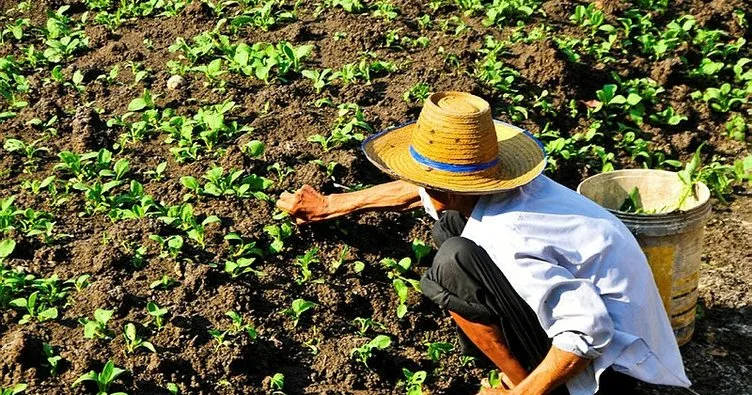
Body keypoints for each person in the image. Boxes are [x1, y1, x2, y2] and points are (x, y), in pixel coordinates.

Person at [276, 92, 691, 394]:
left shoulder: (508, 233)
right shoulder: (510, 189)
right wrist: (332, 205)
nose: (423, 190)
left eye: (430, 183)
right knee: (450, 230)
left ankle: (522, 380)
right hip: (615, 326)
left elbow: (587, 330)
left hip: (612, 370)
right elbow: (423, 192)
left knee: (453, 263)